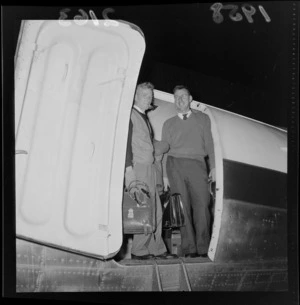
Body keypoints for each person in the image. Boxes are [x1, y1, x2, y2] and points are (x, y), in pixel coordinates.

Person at [158, 85, 216, 258]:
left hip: (198, 165)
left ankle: (203, 247)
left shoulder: (203, 118)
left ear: (190, 99)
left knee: (203, 206)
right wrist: (165, 175)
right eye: (176, 97)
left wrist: (212, 166)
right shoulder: (168, 123)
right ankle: (190, 248)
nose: (180, 100)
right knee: (181, 209)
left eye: (183, 96)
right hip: (174, 166)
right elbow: (166, 151)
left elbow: (210, 145)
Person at [125, 82, 175, 260]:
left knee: (156, 210)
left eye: (151, 96)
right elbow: (125, 146)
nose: (150, 99)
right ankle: (138, 250)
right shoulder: (130, 115)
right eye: (146, 96)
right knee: (145, 209)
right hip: (140, 168)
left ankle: (157, 248)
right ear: (135, 96)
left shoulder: (143, 117)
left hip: (151, 168)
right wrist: (129, 172)